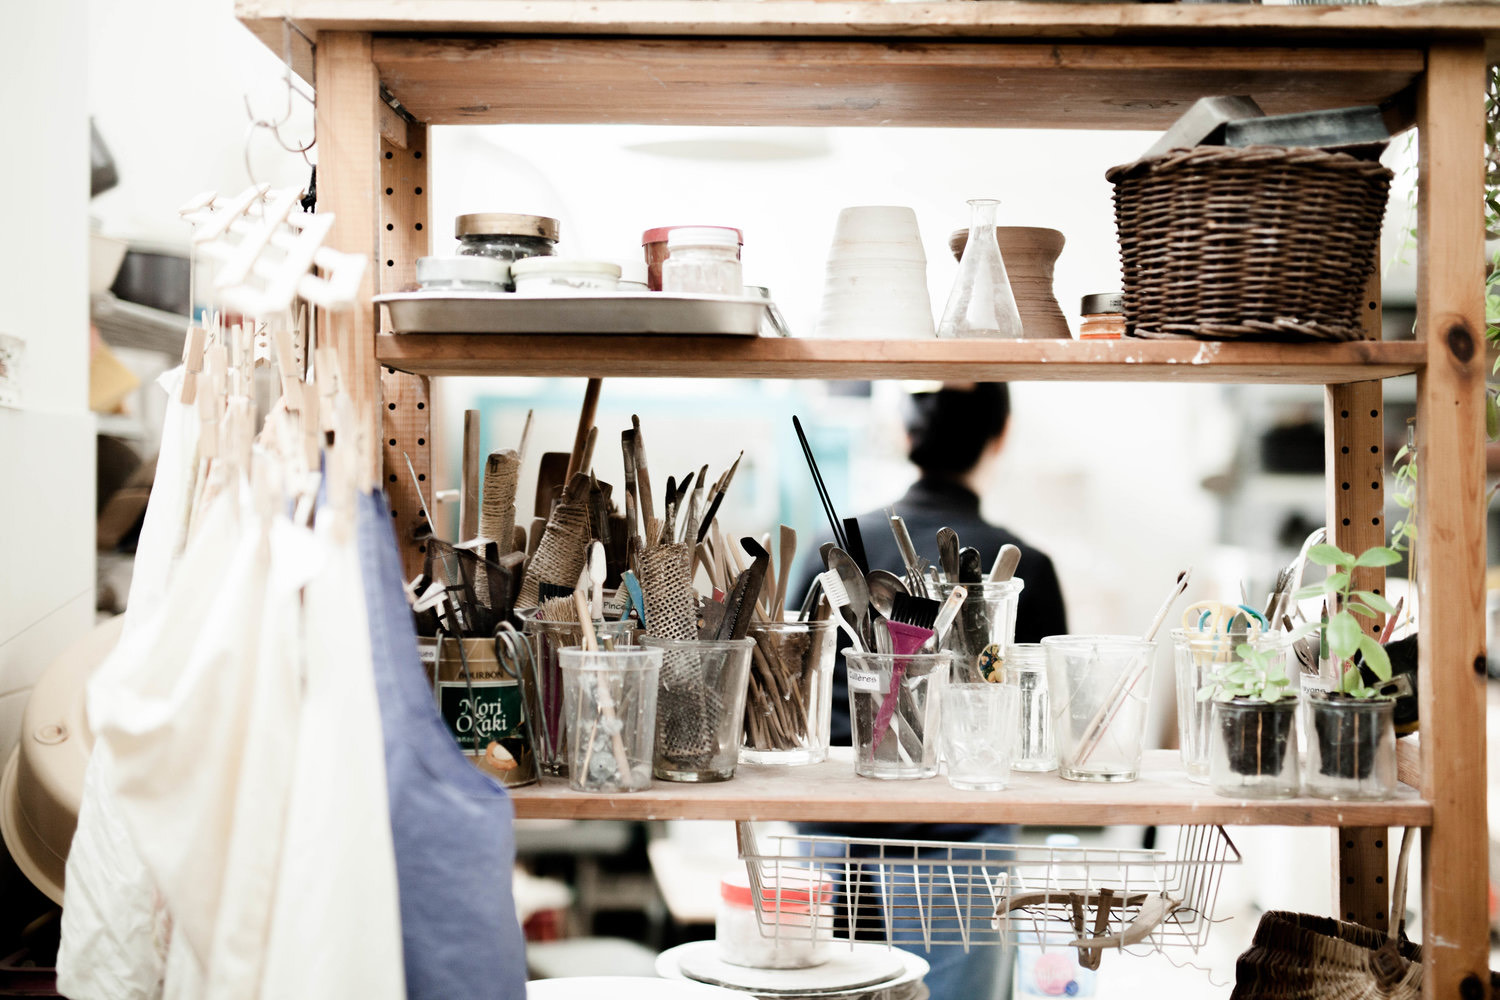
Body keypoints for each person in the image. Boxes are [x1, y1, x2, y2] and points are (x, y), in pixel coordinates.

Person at [792, 382, 1068, 1000]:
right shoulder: (1032, 569)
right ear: (1001, 433)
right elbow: (1039, 730)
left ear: (904, 433)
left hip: (828, 838)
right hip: (960, 846)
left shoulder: (825, 554)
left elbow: (792, 696)